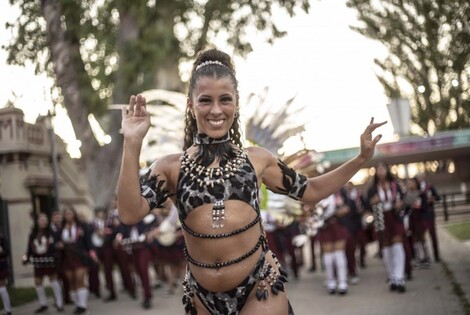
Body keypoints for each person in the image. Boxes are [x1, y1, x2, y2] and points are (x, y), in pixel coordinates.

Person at [117, 48, 385, 314]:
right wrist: (132, 143)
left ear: (236, 102)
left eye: (225, 99)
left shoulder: (257, 160)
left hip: (260, 286)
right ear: (191, 104)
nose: (216, 110)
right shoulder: (170, 168)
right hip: (200, 297)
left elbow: (311, 190)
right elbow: (130, 213)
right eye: (205, 100)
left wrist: (360, 159)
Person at [366, 162, 407, 293]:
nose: (380, 171)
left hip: (394, 217)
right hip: (380, 218)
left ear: (387, 170)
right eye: (378, 169)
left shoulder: (395, 184)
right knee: (386, 247)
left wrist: (400, 203)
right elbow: (367, 205)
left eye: (382, 168)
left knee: (398, 245)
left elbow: (404, 199)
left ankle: (399, 277)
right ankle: (391, 276)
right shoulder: (372, 188)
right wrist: (373, 202)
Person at [56, 205, 96, 314]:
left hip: (79, 256)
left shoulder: (81, 226)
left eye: (70, 213)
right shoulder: (61, 230)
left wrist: (92, 253)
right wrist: (59, 245)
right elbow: (57, 243)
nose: (68, 215)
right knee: (71, 281)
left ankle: (83, 306)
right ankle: (78, 305)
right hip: (67, 257)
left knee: (79, 279)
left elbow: (88, 241)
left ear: (74, 214)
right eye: (66, 213)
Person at [23, 213, 64, 313]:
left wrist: (55, 254)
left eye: (45, 220)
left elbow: (57, 244)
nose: (43, 221)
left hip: (49, 259)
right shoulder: (32, 234)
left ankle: (59, 303)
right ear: (37, 221)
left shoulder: (52, 232)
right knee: (38, 282)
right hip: (38, 260)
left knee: (53, 280)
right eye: (41, 220)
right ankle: (43, 304)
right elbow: (29, 248)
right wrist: (26, 257)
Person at [316, 190, 351, 295]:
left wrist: (342, 211)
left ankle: (342, 282)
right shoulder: (319, 192)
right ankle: (331, 281)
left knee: (339, 254)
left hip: (338, 224)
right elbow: (313, 209)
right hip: (324, 226)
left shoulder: (341, 192)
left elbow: (348, 206)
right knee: (328, 256)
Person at [0, 233, 11, 315]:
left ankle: (8, 310)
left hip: (1, 265)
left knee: (2, 287)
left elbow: (7, 251)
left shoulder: (2, 240)